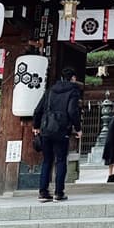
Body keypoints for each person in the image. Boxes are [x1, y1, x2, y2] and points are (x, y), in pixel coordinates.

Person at [32, 67, 82, 202]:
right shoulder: (73, 90)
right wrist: (78, 128)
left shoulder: (50, 90)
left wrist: (36, 126)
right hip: (61, 129)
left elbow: (38, 109)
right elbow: (72, 111)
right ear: (73, 78)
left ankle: (43, 192)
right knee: (60, 160)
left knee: (47, 160)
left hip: (46, 128)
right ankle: (59, 192)